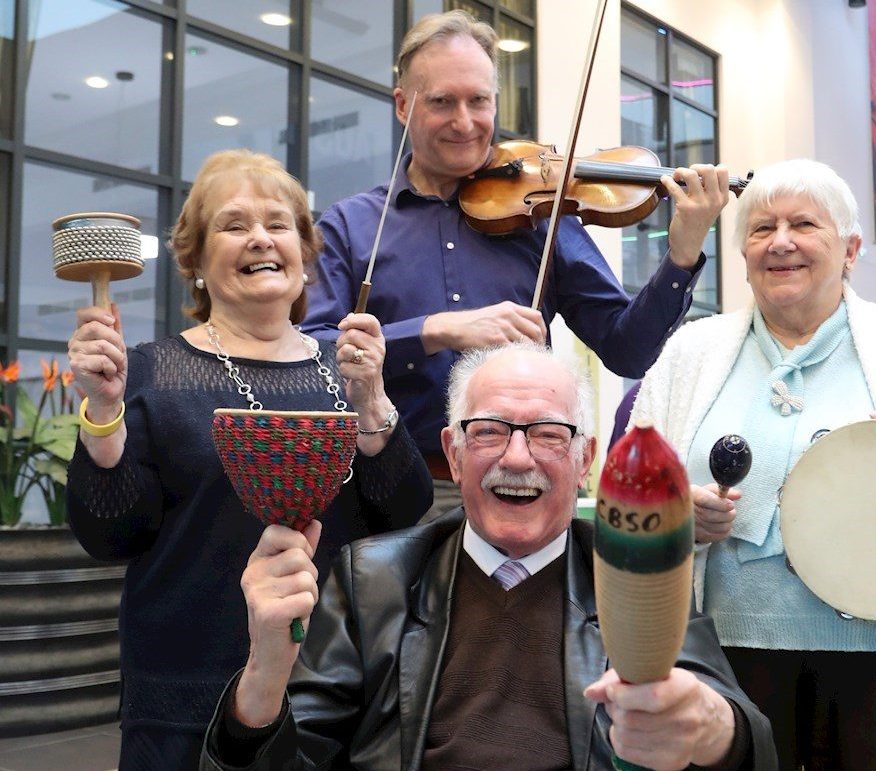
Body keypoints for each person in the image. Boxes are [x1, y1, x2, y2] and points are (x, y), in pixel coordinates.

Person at [199, 342, 778, 770]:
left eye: (549, 433)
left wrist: (708, 727)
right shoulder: (374, 580)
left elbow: (751, 742)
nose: (518, 458)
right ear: (453, 453)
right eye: (489, 432)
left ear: (584, 460)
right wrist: (263, 675)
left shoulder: (632, 571)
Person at [66, 149, 432, 770]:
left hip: (334, 687)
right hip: (187, 690)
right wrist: (104, 412)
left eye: (279, 224)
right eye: (234, 225)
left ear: (304, 253)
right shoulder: (151, 371)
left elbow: (402, 514)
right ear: (198, 261)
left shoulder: (345, 367)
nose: (260, 238)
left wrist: (371, 396)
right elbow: (111, 535)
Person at [630, 158, 876, 770]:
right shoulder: (690, 351)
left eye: (804, 224)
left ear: (851, 249)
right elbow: (628, 492)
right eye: (760, 228)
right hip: (720, 656)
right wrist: (673, 517)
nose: (780, 242)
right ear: (743, 254)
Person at [300, 9, 732, 514]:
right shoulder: (351, 225)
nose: (465, 122)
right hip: (392, 483)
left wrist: (682, 254)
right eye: (442, 102)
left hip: (522, 484)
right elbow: (312, 358)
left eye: (479, 101)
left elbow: (626, 350)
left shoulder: (542, 214)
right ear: (403, 105)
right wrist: (435, 330)